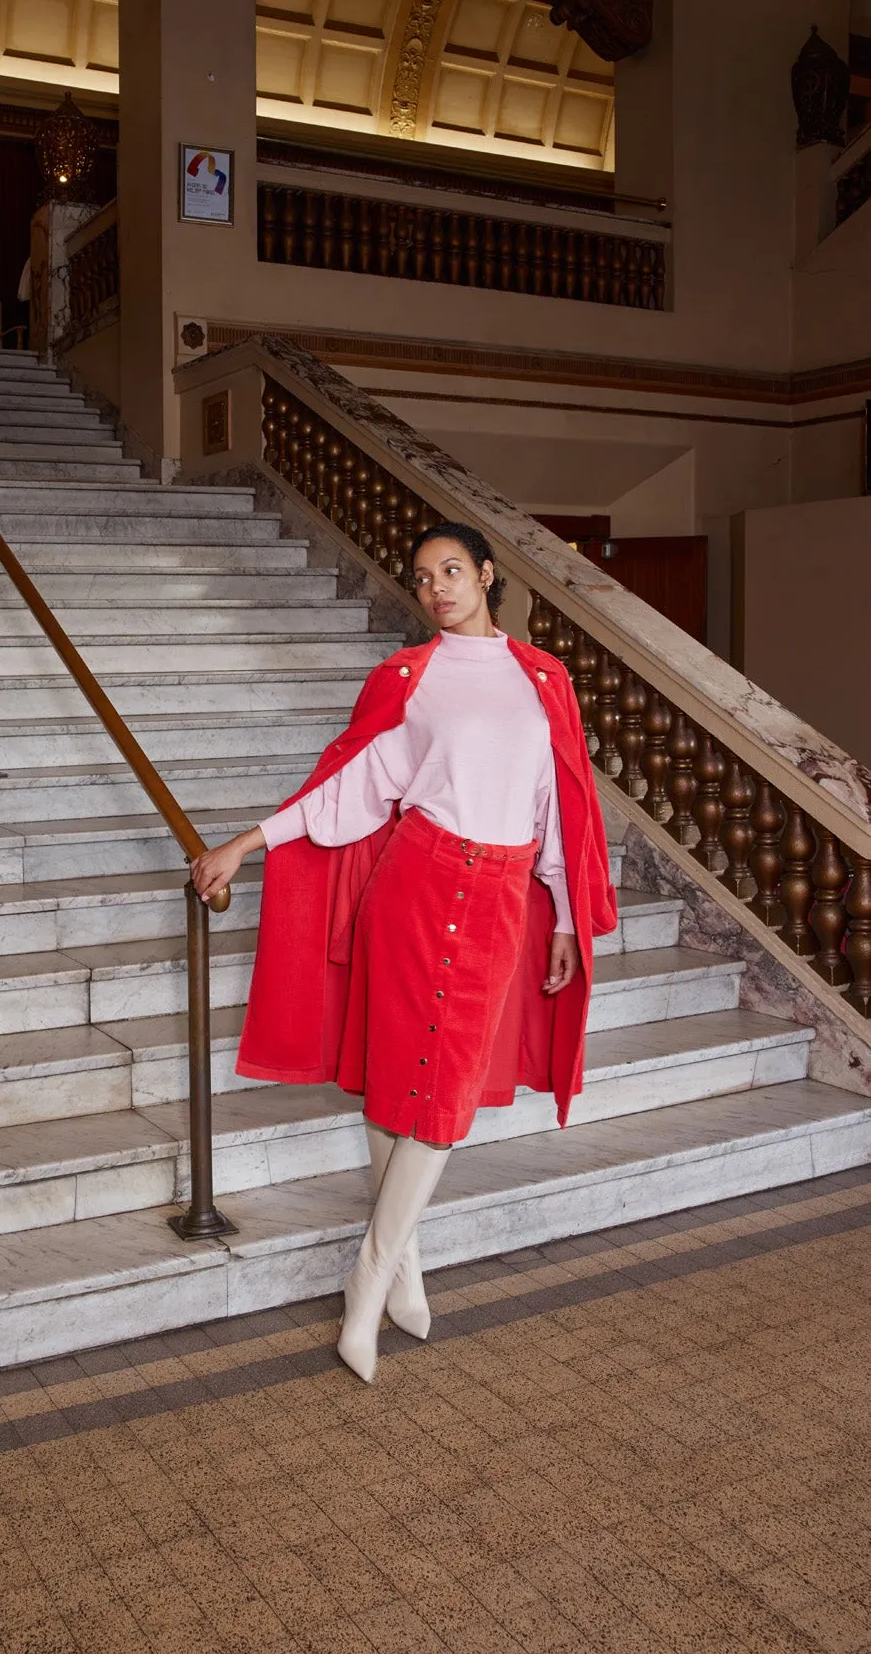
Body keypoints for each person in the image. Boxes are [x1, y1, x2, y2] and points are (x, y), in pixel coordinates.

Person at [190, 521, 617, 1383]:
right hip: (413, 884)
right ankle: (394, 1271)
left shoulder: (544, 680)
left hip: (498, 894)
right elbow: (351, 786)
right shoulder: (407, 679)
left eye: (452, 570)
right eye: (423, 578)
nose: (438, 588)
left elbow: (557, 808)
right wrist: (245, 843)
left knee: (445, 1087)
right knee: (396, 1082)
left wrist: (566, 917)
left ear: (486, 575)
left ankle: (372, 1274)